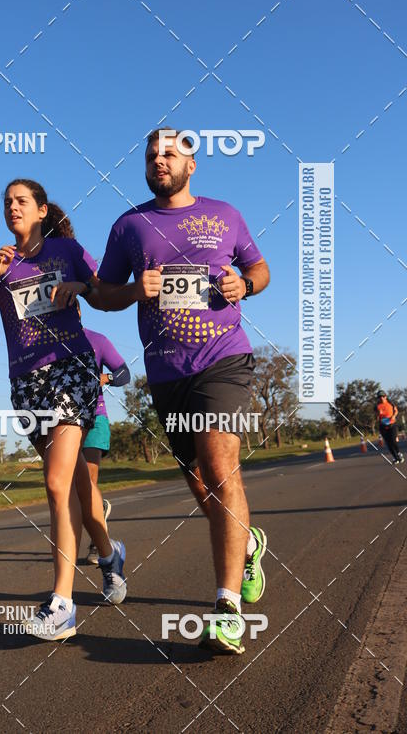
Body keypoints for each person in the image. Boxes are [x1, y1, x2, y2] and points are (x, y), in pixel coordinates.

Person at [96, 128, 269, 655]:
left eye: (170, 153)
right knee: (199, 481)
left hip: (223, 358)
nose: (160, 160)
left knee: (220, 468)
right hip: (166, 372)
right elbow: (101, 294)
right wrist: (134, 290)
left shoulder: (225, 214)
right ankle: (248, 543)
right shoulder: (129, 225)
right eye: (152, 154)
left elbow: (259, 269)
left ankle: (227, 609)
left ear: (191, 165)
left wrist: (245, 284)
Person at [0, 179, 126, 641]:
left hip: (72, 370)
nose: (12, 207)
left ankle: (62, 605)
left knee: (55, 483)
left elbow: (104, 293)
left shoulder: (67, 250)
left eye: (21, 201)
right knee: (77, 484)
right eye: (7, 202)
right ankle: (109, 554)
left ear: (41, 210)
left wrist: (81, 286)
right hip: (26, 382)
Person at [75, 301, 131, 564]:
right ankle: (100, 510)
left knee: (88, 481)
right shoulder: (51, 344)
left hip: (95, 417)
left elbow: (124, 374)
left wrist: (103, 378)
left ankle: (99, 545)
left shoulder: (97, 340)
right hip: (63, 422)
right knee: (74, 488)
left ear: (78, 312)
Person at [376, 390, 403, 464]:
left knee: (393, 441)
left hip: (392, 425)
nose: (381, 398)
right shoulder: (377, 406)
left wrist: (393, 416)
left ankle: (398, 453)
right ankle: (396, 458)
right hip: (383, 426)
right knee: (388, 443)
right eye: (379, 397)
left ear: (385, 396)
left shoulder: (390, 403)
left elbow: (396, 411)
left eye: (383, 396)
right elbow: (377, 417)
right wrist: (378, 416)